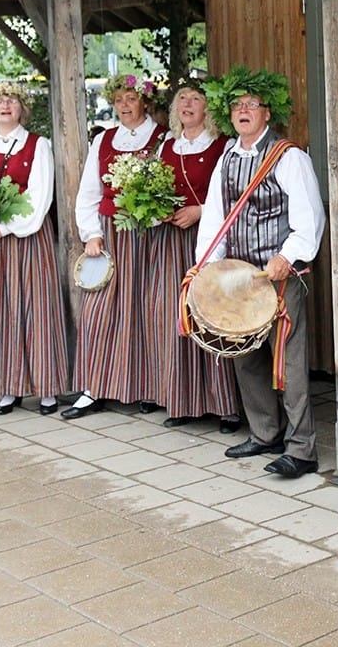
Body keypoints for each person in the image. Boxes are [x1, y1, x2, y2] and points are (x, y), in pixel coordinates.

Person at [196, 66, 326, 478]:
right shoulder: (227, 158)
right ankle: (264, 432)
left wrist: (288, 256)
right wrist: (205, 267)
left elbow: (311, 218)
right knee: (244, 354)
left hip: (281, 277)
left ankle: (302, 449)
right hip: (238, 276)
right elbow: (217, 219)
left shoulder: (290, 157)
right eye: (237, 105)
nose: (244, 111)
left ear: (268, 113)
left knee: (287, 360)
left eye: (252, 104)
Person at [0, 82, 67, 416]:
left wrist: (1, 229)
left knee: (36, 310)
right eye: (0, 101)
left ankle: (46, 387)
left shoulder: (38, 145)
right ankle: (8, 387)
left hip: (26, 239)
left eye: (13, 101)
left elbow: (39, 198)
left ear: (22, 109)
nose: (6, 106)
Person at [65, 73, 167, 419]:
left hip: (151, 235)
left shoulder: (163, 138)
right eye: (119, 99)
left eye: (132, 98)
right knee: (99, 313)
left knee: (147, 310)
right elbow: (89, 192)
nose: (125, 105)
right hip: (111, 232)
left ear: (145, 102)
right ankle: (94, 387)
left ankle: (150, 387)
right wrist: (91, 233)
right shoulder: (104, 140)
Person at [152, 77, 241, 431]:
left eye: (195, 98)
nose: (187, 104)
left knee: (213, 312)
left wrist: (200, 211)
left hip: (210, 238)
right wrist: (158, 208)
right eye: (182, 99)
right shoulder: (167, 145)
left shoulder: (224, 145)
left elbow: (234, 193)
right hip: (172, 243)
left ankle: (226, 405)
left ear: (208, 108)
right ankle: (183, 399)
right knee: (176, 315)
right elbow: (157, 186)